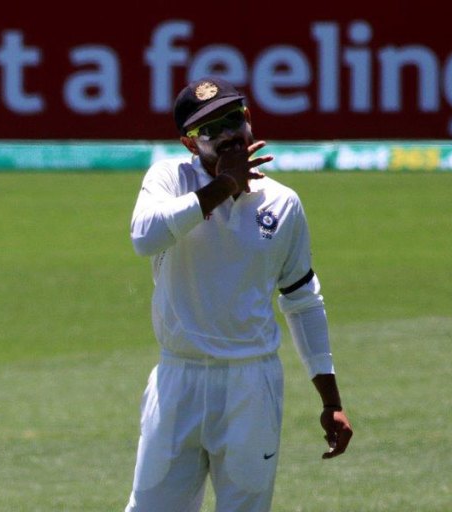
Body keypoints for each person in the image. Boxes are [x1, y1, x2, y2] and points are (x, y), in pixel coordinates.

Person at [125, 77, 354, 511]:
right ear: (190, 144)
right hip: (178, 378)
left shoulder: (282, 203)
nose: (227, 134)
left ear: (248, 119)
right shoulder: (170, 178)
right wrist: (223, 187)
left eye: (232, 119)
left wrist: (331, 400)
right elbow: (144, 238)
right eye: (210, 130)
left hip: (251, 382)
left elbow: (303, 299)